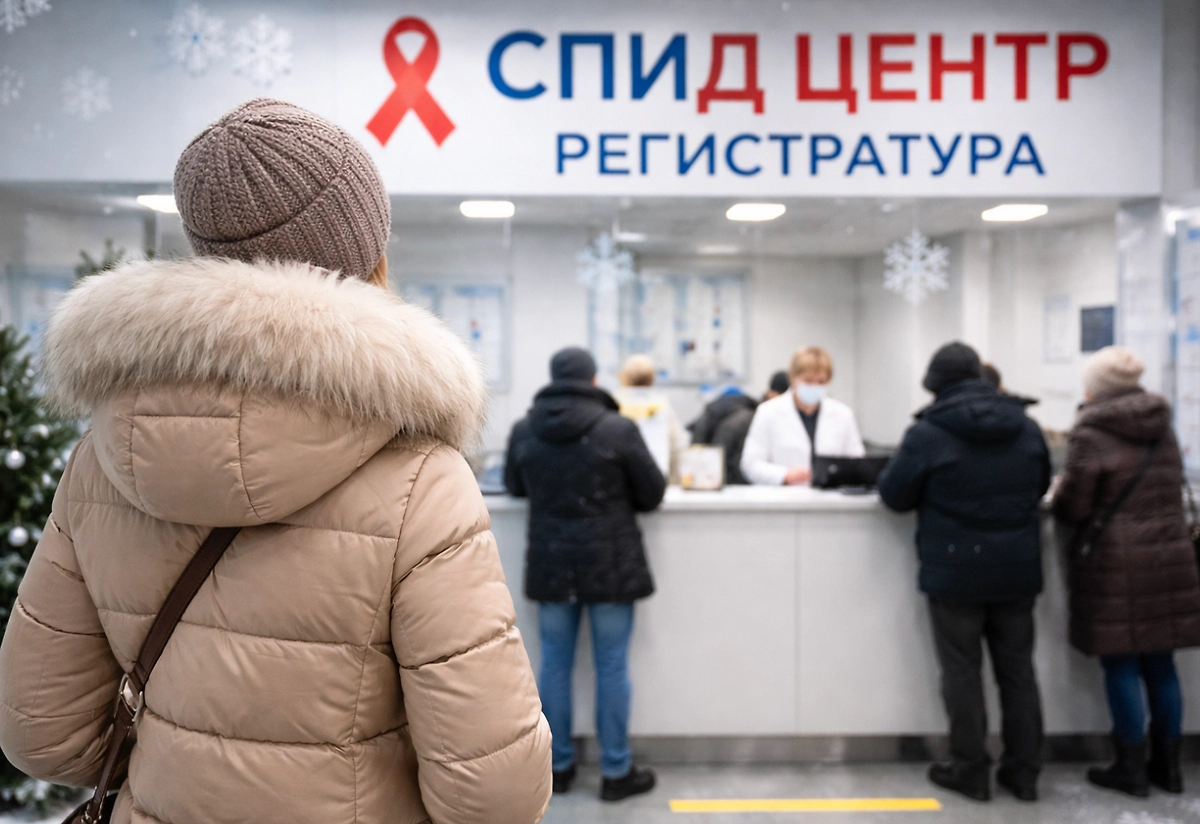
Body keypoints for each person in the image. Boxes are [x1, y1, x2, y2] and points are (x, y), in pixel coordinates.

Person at [0, 99, 552, 824]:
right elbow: (494, 795)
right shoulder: (419, 478)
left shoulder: (101, 463)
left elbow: (40, 733)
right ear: (368, 256)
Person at [877, 342, 1050, 803]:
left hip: (955, 571)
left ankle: (970, 770)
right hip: (1016, 569)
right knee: (1018, 672)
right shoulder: (1027, 427)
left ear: (934, 385)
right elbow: (1040, 486)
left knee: (962, 673)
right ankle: (1024, 773)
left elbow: (894, 496)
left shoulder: (927, 433)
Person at [504, 348, 665, 802]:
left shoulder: (525, 429)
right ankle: (615, 771)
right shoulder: (617, 428)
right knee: (611, 665)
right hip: (611, 563)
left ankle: (558, 768)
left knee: (554, 663)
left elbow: (514, 485)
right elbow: (652, 493)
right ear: (594, 381)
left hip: (552, 563)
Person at [1052, 346, 1200, 798]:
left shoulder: (1091, 432)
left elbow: (1075, 505)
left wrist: (1059, 495)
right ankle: (1169, 769)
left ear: (1095, 386)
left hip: (1116, 560)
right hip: (1169, 556)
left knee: (1121, 663)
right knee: (1161, 664)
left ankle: (1130, 768)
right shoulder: (1162, 426)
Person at [741, 347, 864, 485]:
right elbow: (750, 464)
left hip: (831, 495)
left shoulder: (843, 415)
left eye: (821, 382)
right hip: (784, 495)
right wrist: (784, 475)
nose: (814, 386)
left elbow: (857, 463)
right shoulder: (767, 412)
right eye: (808, 381)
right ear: (793, 378)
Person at [689, 373, 789, 485]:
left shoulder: (753, 412)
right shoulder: (749, 418)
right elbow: (725, 455)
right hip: (727, 483)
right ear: (772, 394)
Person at [613, 354, 688, 481]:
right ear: (652, 378)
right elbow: (678, 445)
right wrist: (674, 480)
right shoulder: (662, 406)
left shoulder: (615, 404)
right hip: (656, 478)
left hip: (623, 480)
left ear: (624, 376)